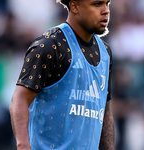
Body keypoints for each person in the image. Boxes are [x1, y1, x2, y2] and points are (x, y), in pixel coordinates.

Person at [9, 0, 115, 150]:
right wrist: (23, 145)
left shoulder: (105, 53)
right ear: (74, 6)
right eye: (97, 4)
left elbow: (105, 111)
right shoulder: (50, 45)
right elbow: (19, 98)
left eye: (107, 4)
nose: (106, 11)